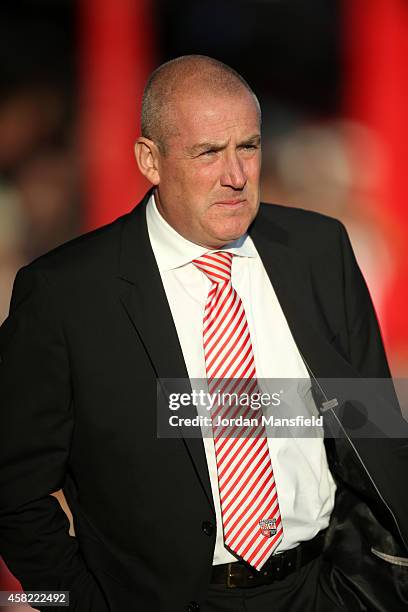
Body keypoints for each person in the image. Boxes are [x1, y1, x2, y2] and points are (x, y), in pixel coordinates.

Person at [1, 55, 408, 612]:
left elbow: (372, 426)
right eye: (208, 152)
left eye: (248, 146)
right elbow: (14, 485)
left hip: (323, 589)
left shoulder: (319, 251)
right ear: (150, 159)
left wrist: (373, 580)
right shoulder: (67, 294)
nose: (235, 175)